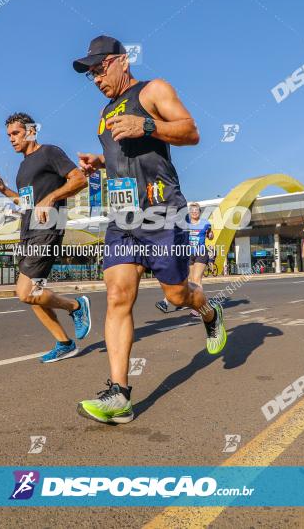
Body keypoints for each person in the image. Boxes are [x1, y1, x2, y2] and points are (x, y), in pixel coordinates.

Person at [73, 36, 227, 424]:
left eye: (100, 67)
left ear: (123, 61)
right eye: (90, 73)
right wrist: (100, 162)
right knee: (117, 295)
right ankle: (119, 394)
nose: (95, 77)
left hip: (161, 212)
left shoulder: (153, 90)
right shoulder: (105, 113)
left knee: (177, 295)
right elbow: (126, 158)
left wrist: (146, 124)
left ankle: (208, 312)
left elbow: (191, 132)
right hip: (123, 218)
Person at [0, 112, 92, 363]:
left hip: (48, 229)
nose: (11, 139)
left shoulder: (50, 152)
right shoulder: (23, 167)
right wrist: (2, 188)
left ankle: (76, 306)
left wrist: (52, 198)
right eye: (9, 135)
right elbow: (26, 204)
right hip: (28, 232)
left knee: (24, 292)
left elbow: (80, 180)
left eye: (16, 133)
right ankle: (65, 344)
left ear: (31, 131)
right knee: (35, 294)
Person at [155, 202, 214, 316]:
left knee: (196, 280)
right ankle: (176, 302)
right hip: (188, 254)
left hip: (201, 253)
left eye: (196, 210)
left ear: (199, 212)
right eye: (192, 210)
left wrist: (210, 235)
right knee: (188, 280)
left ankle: (199, 309)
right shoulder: (185, 224)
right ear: (190, 212)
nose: (194, 212)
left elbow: (210, 236)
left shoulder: (205, 223)